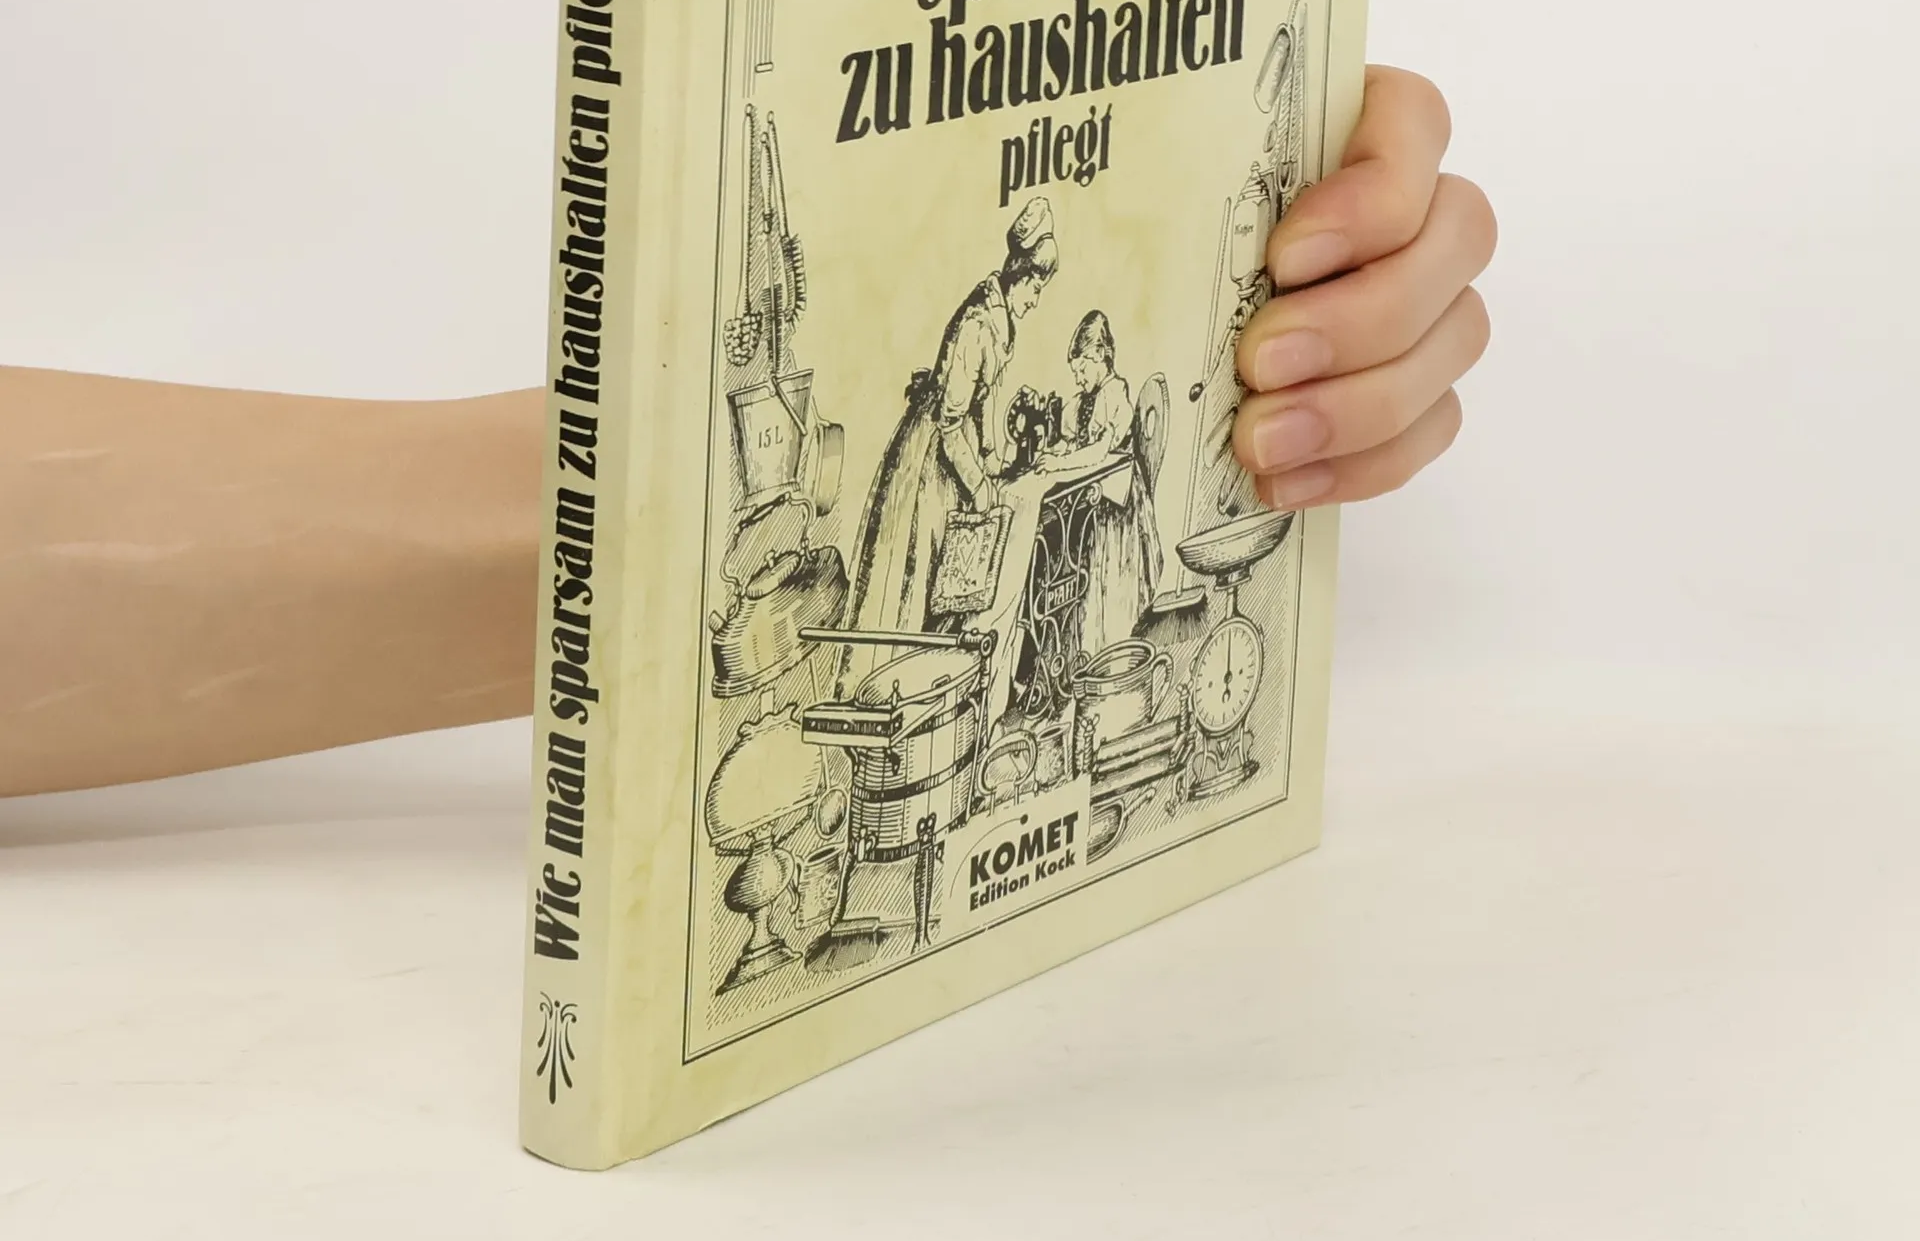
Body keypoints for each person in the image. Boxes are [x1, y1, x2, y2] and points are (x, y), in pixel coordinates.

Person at [0, 67, 1494, 797]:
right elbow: (960, 431)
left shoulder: (1009, 326)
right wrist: (1001, 470)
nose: (1049, 296)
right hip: (930, 484)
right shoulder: (984, 320)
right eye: (1050, 279)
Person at [841, 195, 1058, 638]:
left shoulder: (999, 322)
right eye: (1036, 289)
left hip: (954, 457)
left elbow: (984, 405)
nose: (1036, 302)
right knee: (916, 575)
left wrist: (993, 461)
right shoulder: (978, 324)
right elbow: (951, 422)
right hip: (930, 463)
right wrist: (978, 485)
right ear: (1020, 277)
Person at [1047, 309, 1163, 661]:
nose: (1077, 377)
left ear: (1099, 356)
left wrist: (1059, 463)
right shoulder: (1081, 402)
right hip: (1095, 501)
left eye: (1081, 368)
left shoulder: (1115, 394)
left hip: (1119, 507)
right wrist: (1056, 452)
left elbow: (1099, 452)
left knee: (1108, 578)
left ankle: (1109, 651)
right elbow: (1070, 440)